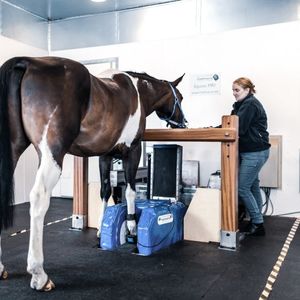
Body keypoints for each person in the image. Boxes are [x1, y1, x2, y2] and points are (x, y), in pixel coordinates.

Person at [231, 77, 270, 236]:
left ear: (247, 90)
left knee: (242, 188)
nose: (234, 93)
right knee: (252, 186)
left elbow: (238, 128)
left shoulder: (250, 104)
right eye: (233, 90)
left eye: (237, 90)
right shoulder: (242, 105)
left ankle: (258, 224)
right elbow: (232, 124)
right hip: (253, 152)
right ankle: (257, 219)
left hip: (254, 153)